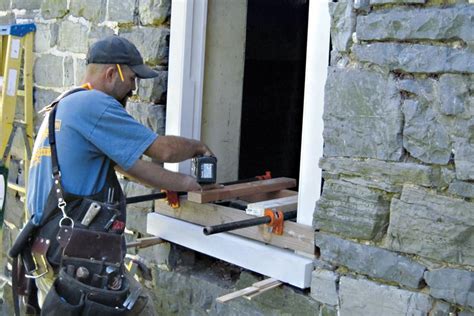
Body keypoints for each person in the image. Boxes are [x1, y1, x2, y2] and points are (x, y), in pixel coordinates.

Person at [26, 35, 214, 314]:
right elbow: (160, 150)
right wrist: (197, 146)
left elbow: (129, 165)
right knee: (141, 309)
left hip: (52, 250)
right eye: (132, 79)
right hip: (78, 257)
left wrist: (185, 183)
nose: (134, 89)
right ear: (112, 73)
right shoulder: (94, 105)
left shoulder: (66, 104)